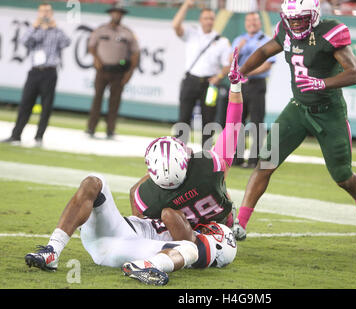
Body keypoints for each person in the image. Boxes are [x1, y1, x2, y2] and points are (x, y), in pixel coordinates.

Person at [231, 0, 356, 240]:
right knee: (266, 162)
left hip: (329, 112)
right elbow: (265, 51)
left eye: (301, 18)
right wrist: (242, 70)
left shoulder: (330, 32)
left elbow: (355, 73)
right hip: (298, 108)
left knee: (342, 176)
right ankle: (241, 223)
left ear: (314, 15)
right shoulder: (285, 30)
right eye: (292, 18)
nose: (296, 23)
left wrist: (323, 83)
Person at [24, 172, 237, 286]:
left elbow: (168, 216)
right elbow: (136, 193)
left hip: (129, 248)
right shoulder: (187, 229)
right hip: (120, 232)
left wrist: (183, 185)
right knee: (94, 182)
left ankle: (146, 266)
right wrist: (160, 170)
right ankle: (52, 251)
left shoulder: (211, 241)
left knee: (189, 249)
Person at [130, 48, 244, 229]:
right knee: (221, 180)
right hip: (220, 234)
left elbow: (142, 212)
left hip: (183, 239)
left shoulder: (148, 197)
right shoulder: (208, 167)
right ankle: (234, 222)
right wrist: (236, 87)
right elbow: (233, 124)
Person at [2, 2, 70, 147]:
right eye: (43, 11)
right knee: (25, 104)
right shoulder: (34, 29)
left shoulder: (57, 31)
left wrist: (54, 27)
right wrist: (36, 26)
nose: (45, 14)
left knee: (46, 106)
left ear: (51, 13)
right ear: (39, 13)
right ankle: (16, 135)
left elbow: (66, 42)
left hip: (50, 72)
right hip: (34, 72)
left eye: (48, 11)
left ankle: (39, 137)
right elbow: (24, 41)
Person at [172, 0, 231, 148]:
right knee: (184, 117)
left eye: (211, 18)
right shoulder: (192, 33)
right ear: (200, 20)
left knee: (209, 119)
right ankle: (179, 149)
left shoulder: (222, 41)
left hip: (210, 85)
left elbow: (227, 65)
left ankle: (206, 153)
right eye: (206, 18)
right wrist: (185, 5)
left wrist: (218, 77)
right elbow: (176, 25)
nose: (209, 21)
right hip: (191, 80)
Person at [86, 3, 140, 139]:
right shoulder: (100, 30)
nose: (117, 15)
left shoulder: (127, 32)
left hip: (119, 71)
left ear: (122, 15)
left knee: (115, 101)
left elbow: (135, 53)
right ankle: (91, 127)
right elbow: (91, 46)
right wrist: (96, 58)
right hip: (102, 69)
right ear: (110, 14)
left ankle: (110, 129)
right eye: (115, 12)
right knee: (97, 98)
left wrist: (130, 72)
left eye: (119, 13)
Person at [231, 12, 276, 169]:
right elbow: (230, 61)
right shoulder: (239, 40)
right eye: (249, 20)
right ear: (245, 23)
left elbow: (267, 64)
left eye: (255, 20)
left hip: (257, 84)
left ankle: (253, 160)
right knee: (238, 122)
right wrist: (240, 49)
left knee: (257, 122)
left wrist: (246, 72)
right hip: (240, 85)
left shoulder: (266, 40)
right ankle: (237, 158)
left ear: (260, 23)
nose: (252, 23)